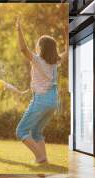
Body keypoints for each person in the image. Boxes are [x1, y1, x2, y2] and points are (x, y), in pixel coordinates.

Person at [15, 17, 68, 163]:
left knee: (21, 131)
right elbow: (66, 51)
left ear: (41, 48)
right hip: (53, 102)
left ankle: (40, 156)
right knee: (37, 132)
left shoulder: (38, 60)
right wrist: (67, 35)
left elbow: (23, 49)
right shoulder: (55, 62)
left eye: (38, 44)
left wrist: (19, 30)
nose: (36, 46)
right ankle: (44, 160)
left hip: (41, 100)